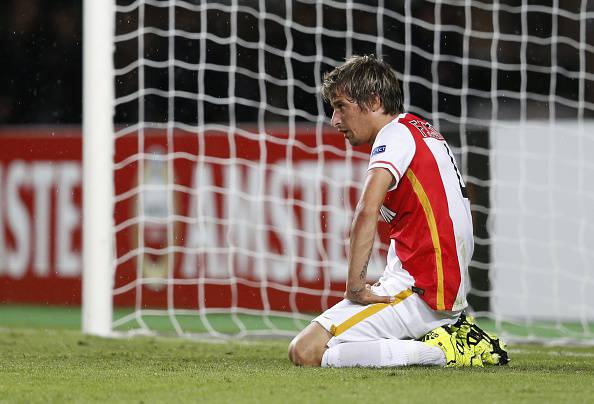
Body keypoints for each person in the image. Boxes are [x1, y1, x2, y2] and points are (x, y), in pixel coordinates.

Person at [288, 55, 508, 368]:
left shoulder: (394, 137)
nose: (335, 120)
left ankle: (446, 352)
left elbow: (366, 210)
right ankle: (445, 332)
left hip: (420, 290)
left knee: (305, 351)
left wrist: (355, 287)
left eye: (341, 106)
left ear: (374, 101)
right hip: (434, 285)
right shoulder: (419, 129)